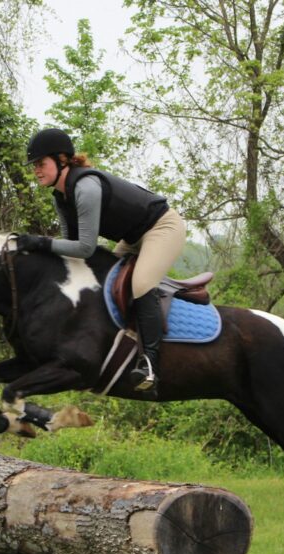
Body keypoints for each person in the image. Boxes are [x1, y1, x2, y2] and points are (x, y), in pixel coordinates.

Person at [16, 128, 187, 396]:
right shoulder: (61, 197)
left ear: (62, 160)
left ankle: (151, 364)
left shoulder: (85, 188)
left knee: (141, 284)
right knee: (102, 281)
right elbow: (71, 248)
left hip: (162, 227)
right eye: (34, 166)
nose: (36, 170)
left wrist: (39, 242)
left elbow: (85, 248)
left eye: (41, 163)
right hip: (133, 237)